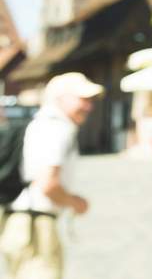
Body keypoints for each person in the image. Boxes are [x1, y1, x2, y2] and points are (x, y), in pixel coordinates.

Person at [0, 72, 102, 279]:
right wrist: (75, 202)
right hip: (35, 226)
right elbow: (48, 184)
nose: (88, 106)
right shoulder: (56, 128)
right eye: (82, 99)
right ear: (60, 97)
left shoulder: (42, 123)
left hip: (21, 221)